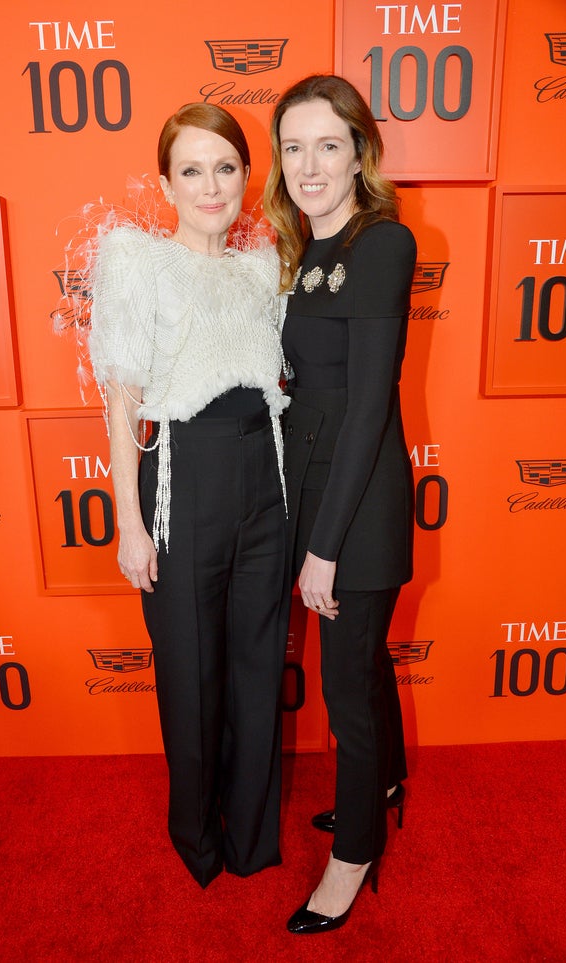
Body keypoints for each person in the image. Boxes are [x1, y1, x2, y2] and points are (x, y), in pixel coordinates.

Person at [88, 103, 290, 889]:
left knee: (255, 668)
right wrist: (129, 524)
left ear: (248, 175)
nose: (212, 186)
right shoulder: (137, 260)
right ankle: (198, 839)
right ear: (167, 182)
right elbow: (121, 401)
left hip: (264, 484)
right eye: (193, 170)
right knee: (191, 673)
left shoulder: (262, 266)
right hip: (180, 480)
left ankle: (253, 839)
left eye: (227, 167)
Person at [263, 74, 416, 934]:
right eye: (293, 146)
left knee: (345, 689)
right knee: (364, 664)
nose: (309, 163)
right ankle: (386, 781)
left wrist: (323, 547)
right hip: (318, 492)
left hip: (355, 510)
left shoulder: (382, 243)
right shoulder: (306, 248)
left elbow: (366, 406)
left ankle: (353, 852)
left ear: (360, 150)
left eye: (328, 144)